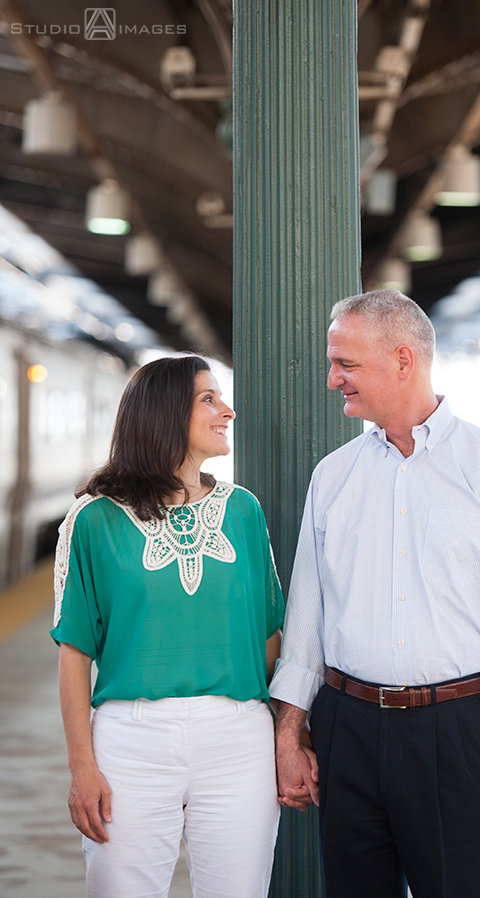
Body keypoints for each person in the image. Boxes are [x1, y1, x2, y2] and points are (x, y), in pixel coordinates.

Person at [269, 290, 480, 898]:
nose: (331, 378)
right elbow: (306, 620)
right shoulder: (333, 476)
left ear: (403, 360)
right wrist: (289, 734)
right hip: (346, 728)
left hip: (457, 733)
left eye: (345, 363)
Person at [50, 355, 285, 898]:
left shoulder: (244, 511)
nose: (227, 410)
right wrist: (82, 767)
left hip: (238, 739)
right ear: (163, 414)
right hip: (129, 742)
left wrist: (282, 735)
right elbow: (73, 653)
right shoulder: (92, 520)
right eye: (209, 398)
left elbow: (270, 635)